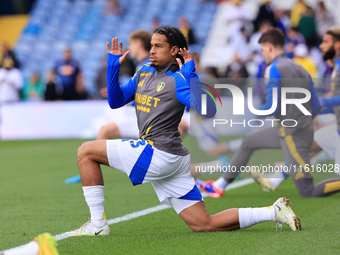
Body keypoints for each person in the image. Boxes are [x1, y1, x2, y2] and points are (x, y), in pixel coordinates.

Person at [66, 27, 301, 236]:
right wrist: (113, 66)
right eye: (151, 45)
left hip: (158, 153)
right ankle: (273, 211)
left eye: (159, 46)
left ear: (175, 50)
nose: (152, 50)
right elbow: (116, 101)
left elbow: (207, 110)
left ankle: (98, 225)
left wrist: (191, 74)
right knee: (204, 224)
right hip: (174, 159)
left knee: (85, 152)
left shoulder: (179, 79)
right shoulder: (144, 71)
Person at [196, 28, 340, 198]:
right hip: (293, 129)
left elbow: (270, 107)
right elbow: (315, 105)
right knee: (249, 141)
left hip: (290, 133)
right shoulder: (301, 68)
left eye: (263, 50)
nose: (263, 55)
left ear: (270, 47)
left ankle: (267, 179)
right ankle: (219, 185)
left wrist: (252, 110)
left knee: (307, 190)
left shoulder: (274, 69)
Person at [251, 27, 340, 191]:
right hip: (335, 128)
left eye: (326, 42)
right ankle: (275, 179)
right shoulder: (335, 66)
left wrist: (323, 101)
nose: (321, 45)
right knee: (304, 147)